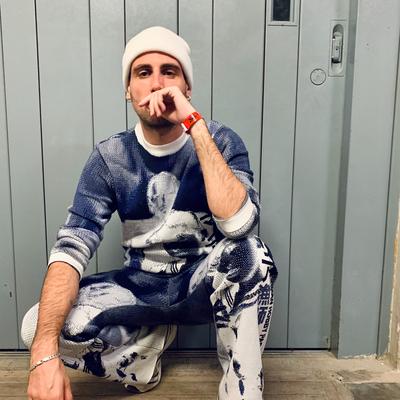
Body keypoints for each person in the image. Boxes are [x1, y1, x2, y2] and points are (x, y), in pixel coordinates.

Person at [21, 26, 278, 400]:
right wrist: (43, 353)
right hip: (140, 286)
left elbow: (239, 225)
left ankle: (242, 389)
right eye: (143, 72)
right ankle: (142, 363)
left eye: (169, 72)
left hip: (201, 283)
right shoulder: (110, 157)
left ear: (187, 87)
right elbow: (70, 249)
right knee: (37, 328)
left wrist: (194, 125)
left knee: (252, 253)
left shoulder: (220, 140)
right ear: (128, 89)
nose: (157, 83)